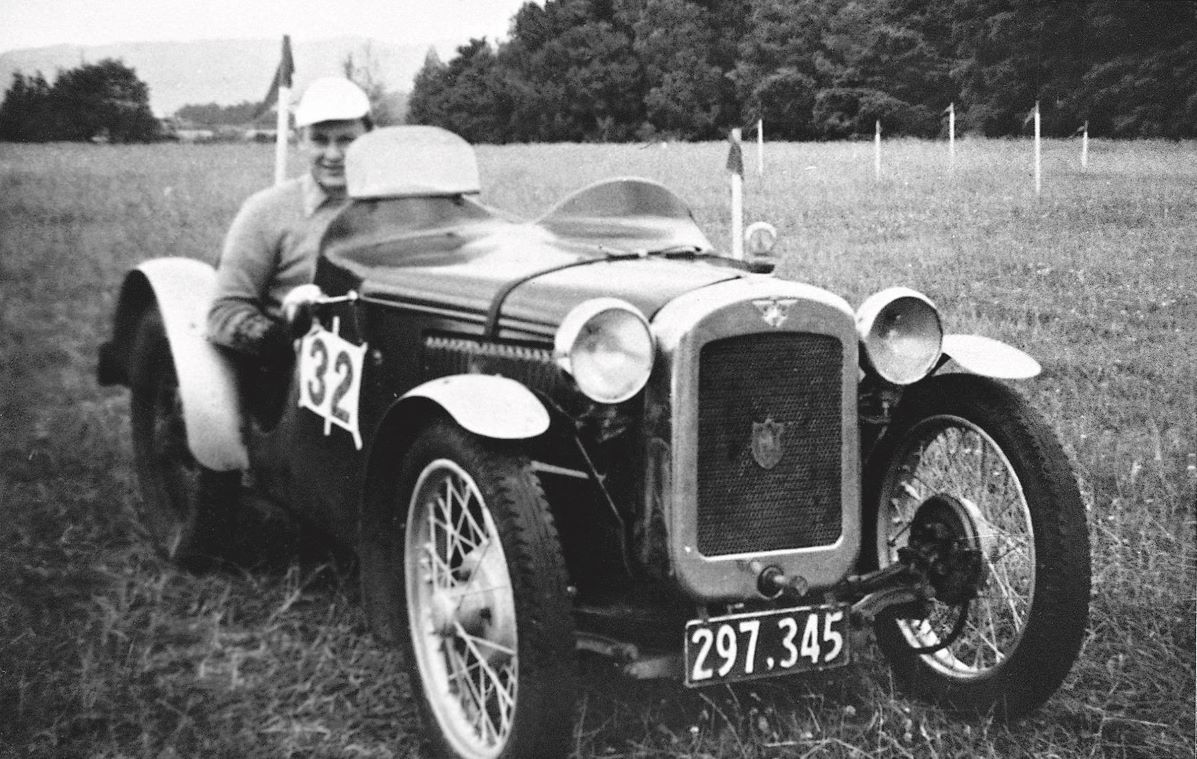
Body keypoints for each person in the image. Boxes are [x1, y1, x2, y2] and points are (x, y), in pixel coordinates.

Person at [207, 76, 372, 363]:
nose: (333, 154)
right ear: (300, 141)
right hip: (290, 374)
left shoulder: (397, 208)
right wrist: (281, 343)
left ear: (368, 140)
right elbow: (224, 311)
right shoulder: (265, 210)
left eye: (346, 140)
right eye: (320, 140)